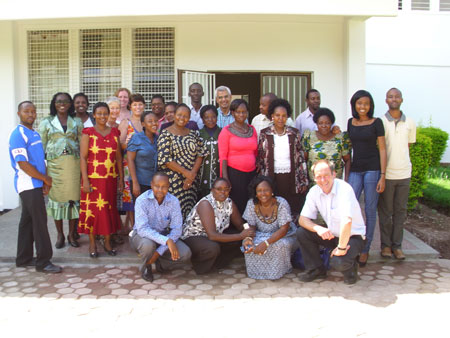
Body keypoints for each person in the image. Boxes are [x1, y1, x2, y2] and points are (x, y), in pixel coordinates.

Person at [9, 101, 62, 273]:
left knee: (27, 221)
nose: (31, 114)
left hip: (37, 184)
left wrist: (44, 181)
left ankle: (23, 258)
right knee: (40, 222)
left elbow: (41, 160)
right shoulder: (18, 134)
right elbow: (23, 163)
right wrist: (45, 179)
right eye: (26, 111)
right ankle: (43, 262)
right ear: (19, 114)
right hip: (27, 184)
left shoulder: (35, 134)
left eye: (33, 111)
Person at [296, 160, 366, 285]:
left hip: (352, 236)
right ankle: (316, 270)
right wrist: (318, 228)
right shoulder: (314, 192)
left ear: (334, 174)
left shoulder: (345, 189)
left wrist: (341, 247)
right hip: (333, 234)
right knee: (302, 232)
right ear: (314, 178)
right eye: (319, 177)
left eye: (326, 175)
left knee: (338, 262)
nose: (323, 180)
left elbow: (347, 221)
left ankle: (351, 268)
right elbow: (302, 219)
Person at [181, 178, 255, 274]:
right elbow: (212, 235)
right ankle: (200, 267)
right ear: (212, 190)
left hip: (213, 235)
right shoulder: (206, 204)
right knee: (212, 248)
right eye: (219, 189)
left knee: (238, 240)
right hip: (194, 236)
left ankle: (216, 264)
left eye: (226, 189)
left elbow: (240, 224)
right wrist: (241, 235)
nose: (223, 192)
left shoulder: (229, 202)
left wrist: (248, 230)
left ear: (229, 190)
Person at [38, 92, 83, 249]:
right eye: (58, 101)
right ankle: (60, 234)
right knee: (56, 201)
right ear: (54, 104)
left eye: (65, 101)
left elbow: (82, 143)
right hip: (54, 166)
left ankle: (71, 234)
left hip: (73, 165)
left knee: (73, 200)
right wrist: (42, 170)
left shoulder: (76, 121)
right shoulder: (46, 122)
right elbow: (41, 146)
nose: (62, 104)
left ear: (70, 104)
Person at [347, 90, 387, 267]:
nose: (362, 106)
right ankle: (351, 244)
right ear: (354, 105)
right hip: (356, 169)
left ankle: (365, 249)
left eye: (366, 103)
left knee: (370, 210)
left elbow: (383, 150)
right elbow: (347, 146)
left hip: (373, 170)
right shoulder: (351, 123)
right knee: (350, 206)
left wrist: (383, 176)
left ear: (370, 106)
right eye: (359, 103)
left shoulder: (377, 123)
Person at [79, 102, 124, 258]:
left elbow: (119, 158)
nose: (102, 116)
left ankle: (107, 242)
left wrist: (121, 179)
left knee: (108, 211)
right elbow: (83, 158)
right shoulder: (88, 132)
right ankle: (92, 243)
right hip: (92, 180)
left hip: (110, 180)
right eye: (99, 113)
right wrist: (85, 180)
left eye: (105, 113)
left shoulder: (114, 132)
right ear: (94, 115)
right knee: (93, 212)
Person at [130, 172, 192, 282]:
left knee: (185, 253)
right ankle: (146, 267)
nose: (160, 189)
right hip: (141, 236)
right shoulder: (142, 200)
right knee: (148, 245)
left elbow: (177, 229)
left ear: (169, 186)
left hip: (162, 234)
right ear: (151, 185)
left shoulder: (173, 201)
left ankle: (158, 262)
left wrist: (159, 251)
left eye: (164, 187)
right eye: (157, 186)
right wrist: (167, 240)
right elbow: (142, 229)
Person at [378, 88, 416, 260]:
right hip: (387, 175)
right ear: (386, 100)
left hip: (404, 173)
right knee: (386, 212)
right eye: (390, 96)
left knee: (400, 211)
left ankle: (397, 246)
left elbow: (407, 146)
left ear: (402, 99)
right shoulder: (381, 122)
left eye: (397, 96)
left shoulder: (410, 122)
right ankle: (385, 246)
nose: (394, 99)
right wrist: (383, 174)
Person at [257, 99, 308, 217]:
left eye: (284, 116)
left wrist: (303, 179)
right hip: (272, 176)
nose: (280, 118)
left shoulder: (294, 133)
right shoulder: (265, 133)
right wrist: (262, 179)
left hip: (291, 176)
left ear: (288, 117)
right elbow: (261, 157)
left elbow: (300, 157)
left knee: (292, 205)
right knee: (273, 204)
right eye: (277, 115)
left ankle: (292, 230)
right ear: (272, 116)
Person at [242, 176, 298, 280]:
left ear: (272, 190)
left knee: (278, 245)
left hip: (283, 235)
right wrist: (248, 238)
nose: (263, 194)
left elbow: (283, 230)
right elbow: (251, 225)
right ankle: (257, 273)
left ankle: (276, 272)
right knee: (249, 244)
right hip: (260, 233)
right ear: (255, 192)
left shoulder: (281, 203)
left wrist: (266, 243)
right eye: (259, 191)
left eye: (266, 190)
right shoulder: (251, 203)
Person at [157, 103, 206, 219]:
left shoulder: (193, 134)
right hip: (173, 182)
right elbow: (165, 159)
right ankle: (173, 236)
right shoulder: (166, 134)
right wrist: (187, 173)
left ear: (189, 118)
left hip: (191, 182)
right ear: (174, 116)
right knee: (174, 212)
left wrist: (192, 174)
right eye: (179, 115)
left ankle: (187, 236)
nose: (182, 118)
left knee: (189, 210)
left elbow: (201, 154)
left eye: (185, 116)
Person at [218, 99, 258, 215]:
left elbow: (255, 152)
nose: (241, 115)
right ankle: (237, 228)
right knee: (237, 202)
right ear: (233, 113)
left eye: (244, 112)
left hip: (251, 173)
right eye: (238, 112)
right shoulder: (226, 131)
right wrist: (225, 179)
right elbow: (223, 157)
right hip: (234, 174)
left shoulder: (252, 129)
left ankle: (248, 226)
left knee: (250, 201)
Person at [118, 93, 145, 230]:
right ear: (130, 106)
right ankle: (133, 228)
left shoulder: (147, 122)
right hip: (128, 165)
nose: (138, 107)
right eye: (135, 104)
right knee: (130, 198)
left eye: (140, 104)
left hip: (145, 166)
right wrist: (126, 143)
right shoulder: (125, 123)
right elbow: (119, 145)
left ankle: (140, 227)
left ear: (144, 106)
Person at [302, 107, 351, 182]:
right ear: (316, 123)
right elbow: (304, 160)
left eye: (327, 123)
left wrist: (347, 178)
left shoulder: (341, 138)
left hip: (335, 183)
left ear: (332, 123)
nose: (324, 126)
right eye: (320, 123)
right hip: (315, 183)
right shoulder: (308, 137)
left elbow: (347, 160)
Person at [128, 111, 159, 199]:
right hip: (140, 182)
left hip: (155, 183)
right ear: (143, 124)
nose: (154, 123)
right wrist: (135, 183)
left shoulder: (158, 139)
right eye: (150, 121)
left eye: (156, 121)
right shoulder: (136, 138)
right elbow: (130, 160)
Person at [198, 105, 221, 199]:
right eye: (206, 117)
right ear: (202, 120)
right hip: (202, 177)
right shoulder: (198, 134)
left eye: (213, 117)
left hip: (218, 175)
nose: (210, 119)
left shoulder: (223, 133)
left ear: (217, 117)